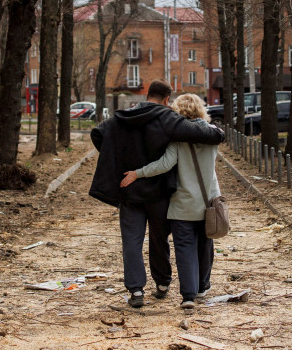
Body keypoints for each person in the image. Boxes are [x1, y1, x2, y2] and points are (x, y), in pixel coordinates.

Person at [89, 81, 225, 309]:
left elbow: (98, 134)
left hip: (128, 189)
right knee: (158, 238)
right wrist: (218, 133)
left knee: (131, 241)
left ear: (146, 95)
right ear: (165, 99)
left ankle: (136, 290)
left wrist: (117, 158)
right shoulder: (166, 117)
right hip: (158, 192)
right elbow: (200, 133)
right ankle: (162, 283)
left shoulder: (120, 117)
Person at [120, 94, 220, 310]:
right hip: (208, 203)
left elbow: (164, 164)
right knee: (205, 245)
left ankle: (188, 296)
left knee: (184, 248)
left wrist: (137, 173)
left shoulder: (176, 140)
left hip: (183, 205)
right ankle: (203, 287)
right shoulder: (213, 136)